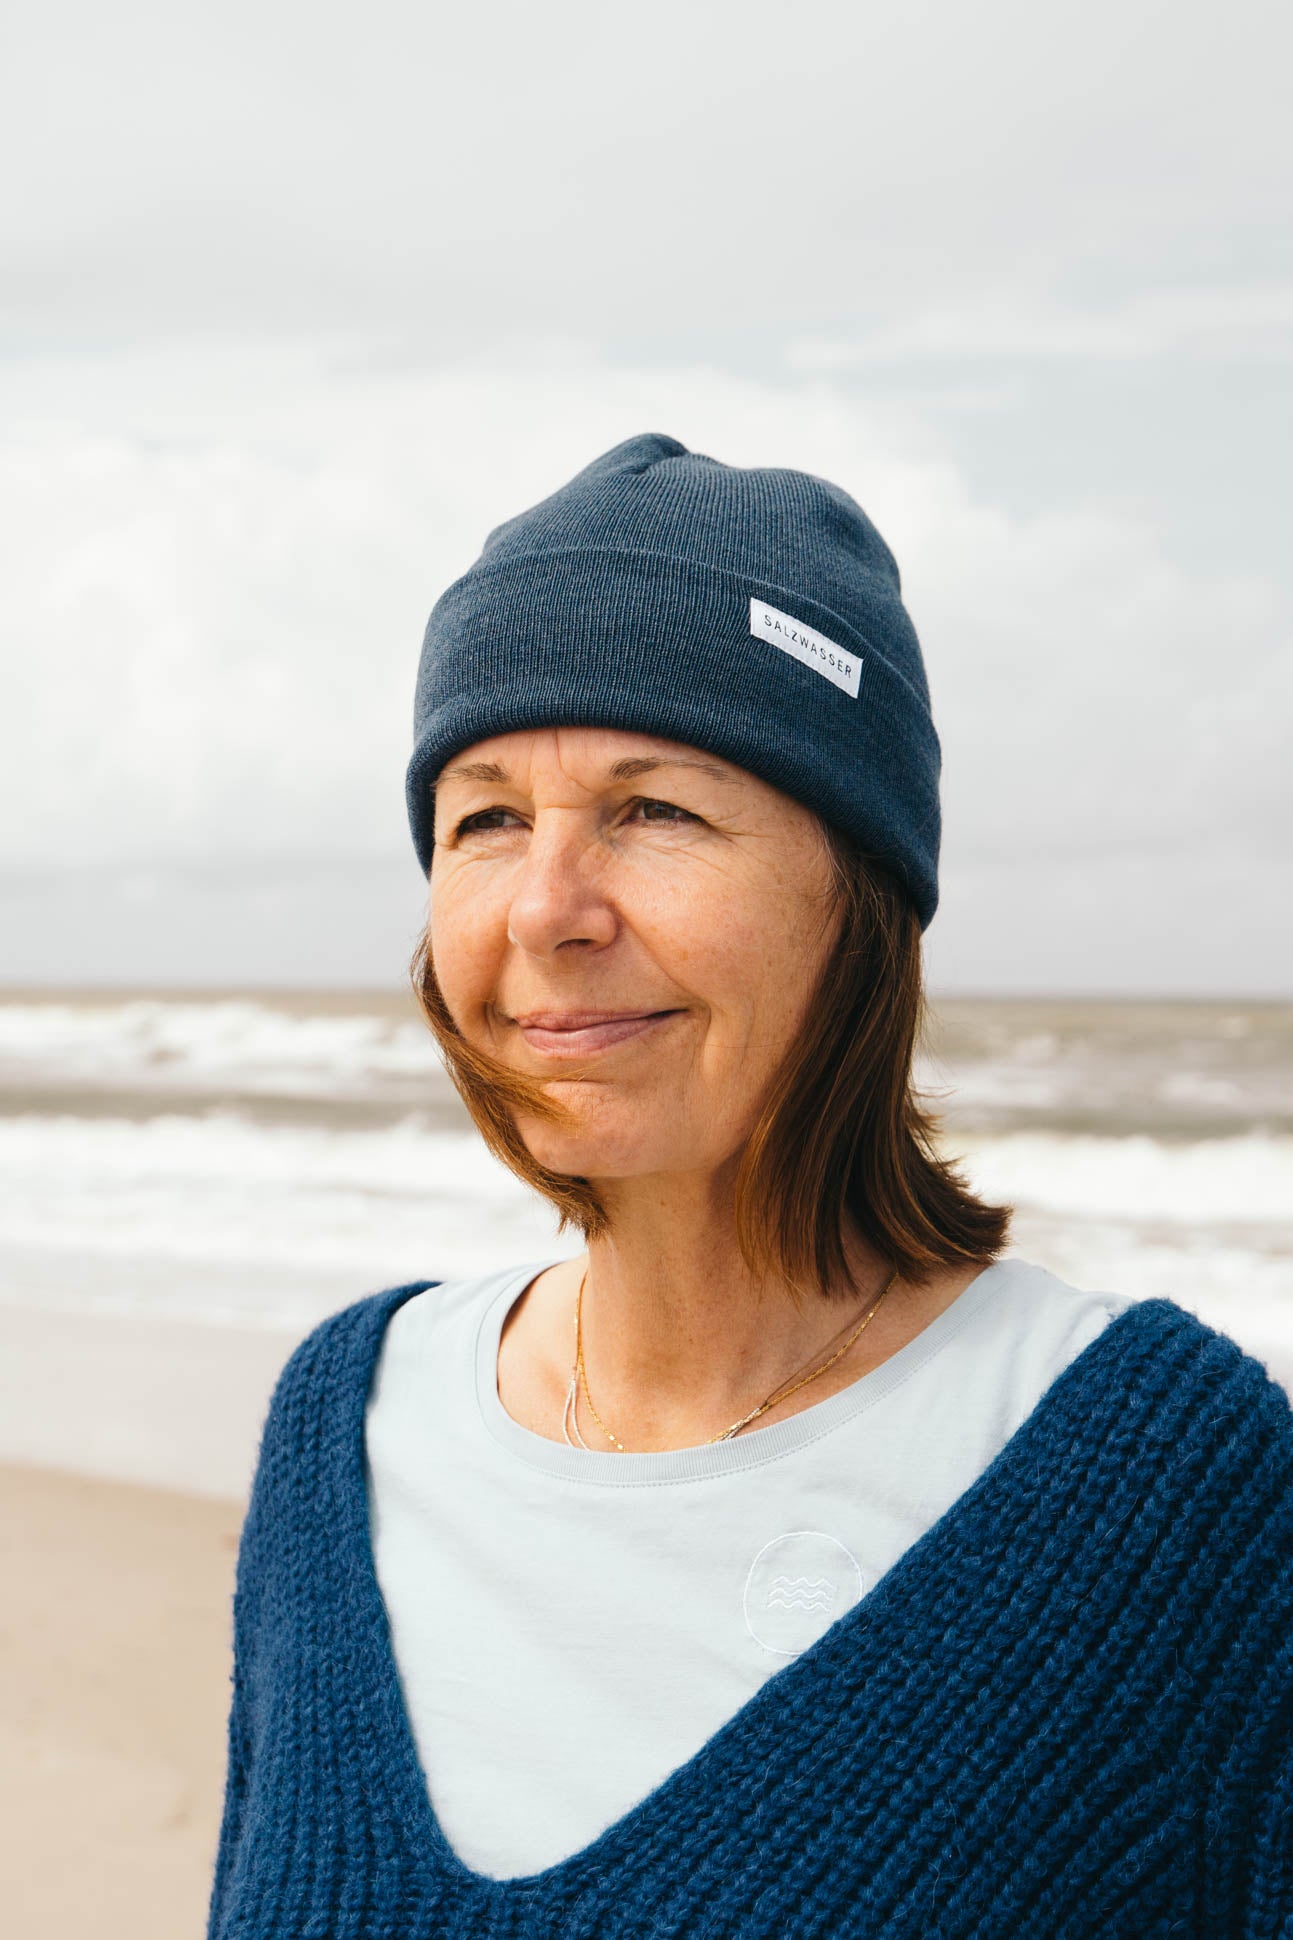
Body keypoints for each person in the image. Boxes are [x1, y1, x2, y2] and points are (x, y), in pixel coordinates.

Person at [206, 434, 1292, 1938]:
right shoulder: (345, 1420)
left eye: (654, 810)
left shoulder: (1160, 1483)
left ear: (859, 896)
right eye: (484, 816)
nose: (546, 908)